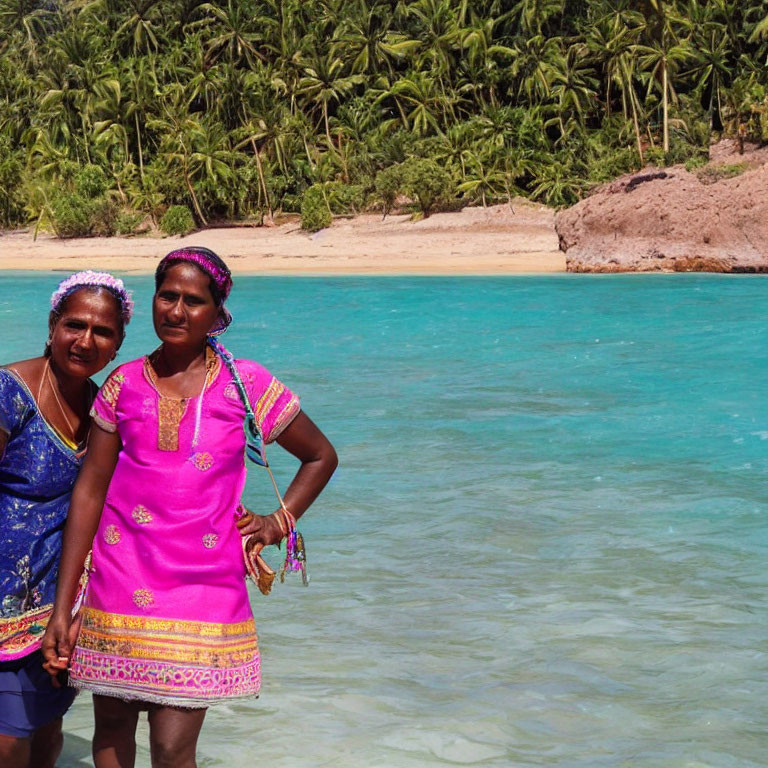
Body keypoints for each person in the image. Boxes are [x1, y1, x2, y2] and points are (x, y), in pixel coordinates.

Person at [43, 247, 337, 768]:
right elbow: (90, 490)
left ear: (218, 314)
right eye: (167, 295)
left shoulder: (245, 384)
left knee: (173, 747)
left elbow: (320, 456)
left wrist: (276, 522)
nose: (176, 311)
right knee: (111, 729)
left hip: (203, 585)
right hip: (117, 578)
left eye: (194, 301)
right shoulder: (123, 383)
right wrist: (63, 608)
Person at [0, 271, 133, 768]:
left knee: (45, 727)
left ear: (118, 345)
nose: (86, 341)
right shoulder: (10, 392)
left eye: (103, 332)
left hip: (63, 600)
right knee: (9, 740)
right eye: (75, 325)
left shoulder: (105, 408)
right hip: (3, 600)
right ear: (53, 326)